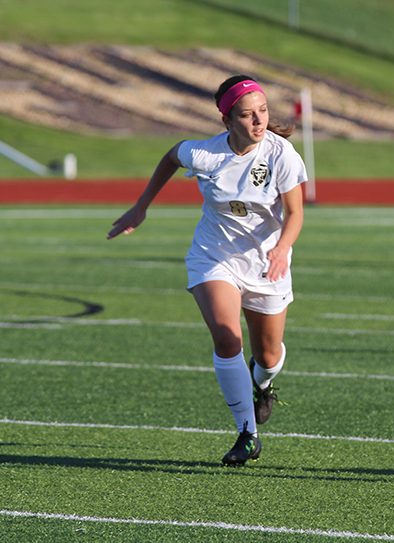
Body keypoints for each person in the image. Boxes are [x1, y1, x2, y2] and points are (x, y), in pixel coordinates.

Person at [108, 75, 307, 466]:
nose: (258, 121)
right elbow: (170, 156)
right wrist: (141, 205)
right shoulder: (205, 154)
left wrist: (283, 248)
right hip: (214, 256)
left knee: (267, 356)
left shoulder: (281, 155)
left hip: (267, 262)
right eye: (248, 115)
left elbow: (296, 213)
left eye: (263, 111)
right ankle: (247, 433)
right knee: (227, 337)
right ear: (226, 120)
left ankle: (262, 384)